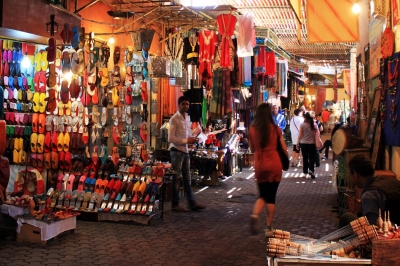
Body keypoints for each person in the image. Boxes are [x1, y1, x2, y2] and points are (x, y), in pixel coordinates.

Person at [248, 103, 288, 235]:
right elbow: (283, 148)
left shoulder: (252, 130)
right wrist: (287, 159)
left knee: (262, 195)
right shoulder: (275, 129)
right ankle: (269, 228)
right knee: (271, 197)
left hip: (260, 164)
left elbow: (252, 149)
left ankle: (255, 215)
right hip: (274, 163)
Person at [340, 155, 400, 227]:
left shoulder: (369, 195)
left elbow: (372, 227)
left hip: (392, 231)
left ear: (355, 174)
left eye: (351, 175)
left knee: (346, 217)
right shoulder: (389, 180)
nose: (351, 178)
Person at [168, 96, 205, 212]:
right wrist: (186, 141)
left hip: (185, 150)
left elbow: (187, 133)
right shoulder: (174, 119)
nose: (186, 106)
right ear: (178, 105)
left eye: (187, 104)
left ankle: (192, 203)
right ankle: (175, 204)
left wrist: (193, 138)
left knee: (187, 178)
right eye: (183, 104)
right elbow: (170, 138)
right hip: (176, 151)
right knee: (176, 178)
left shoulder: (187, 118)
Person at [296, 112, 317, 179]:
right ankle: (311, 170)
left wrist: (297, 142)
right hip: (312, 144)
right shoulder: (314, 125)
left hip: (303, 143)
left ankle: (305, 172)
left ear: (305, 118)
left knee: (305, 158)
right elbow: (319, 132)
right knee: (311, 158)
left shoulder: (302, 125)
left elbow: (300, 135)